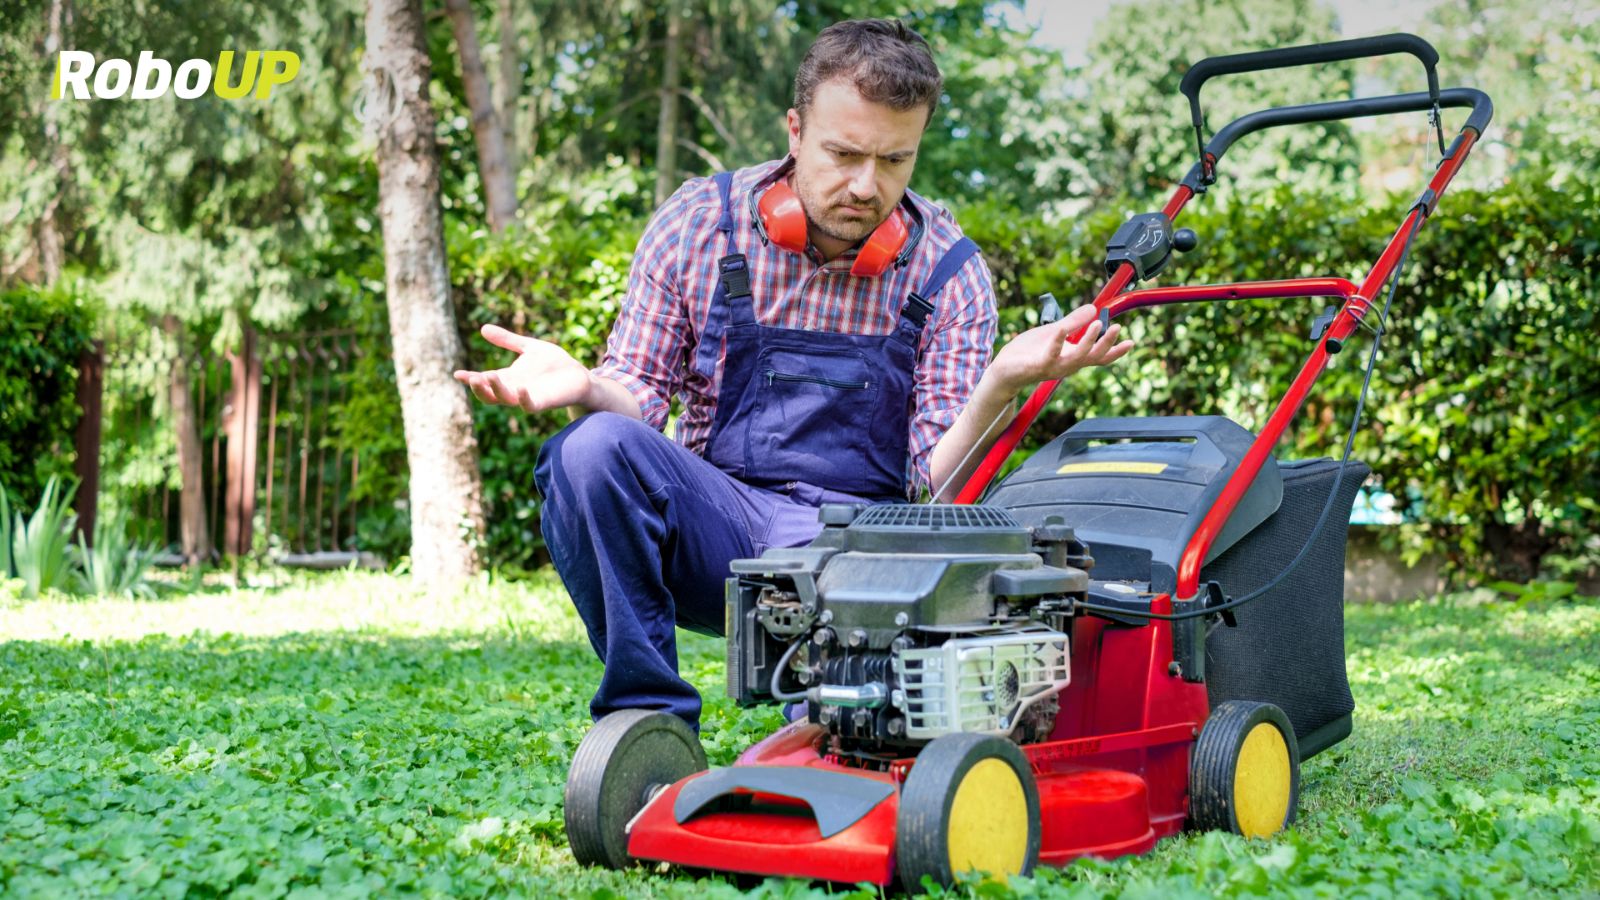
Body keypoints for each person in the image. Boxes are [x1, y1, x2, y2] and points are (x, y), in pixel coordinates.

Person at [454, 19, 1132, 731]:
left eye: (895, 160)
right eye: (843, 153)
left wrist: (1002, 383)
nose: (866, 186)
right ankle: (647, 719)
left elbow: (936, 491)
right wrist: (587, 389)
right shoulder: (699, 224)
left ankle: (833, 710)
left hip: (860, 554)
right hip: (718, 531)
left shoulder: (950, 271)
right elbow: (639, 398)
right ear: (795, 131)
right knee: (587, 448)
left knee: (845, 735)